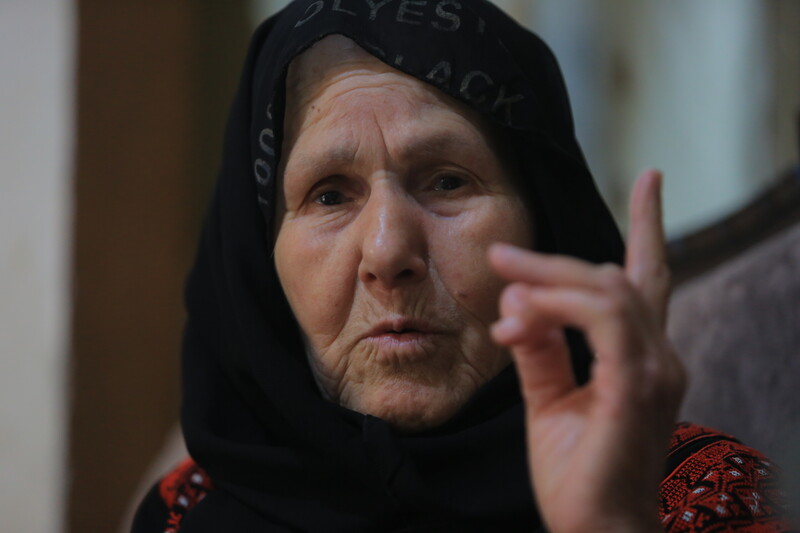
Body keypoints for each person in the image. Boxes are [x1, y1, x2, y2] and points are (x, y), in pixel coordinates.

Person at [132, 1, 790, 531]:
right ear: (258, 262)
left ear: (544, 227)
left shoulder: (706, 497)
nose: (389, 252)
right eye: (329, 193)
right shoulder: (185, 509)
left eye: (447, 181)